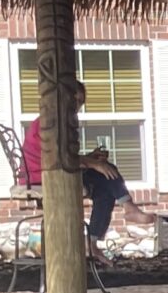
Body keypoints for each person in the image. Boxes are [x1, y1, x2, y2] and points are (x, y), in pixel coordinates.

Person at [19, 82, 148, 247]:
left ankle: (92, 243)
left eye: (80, 102)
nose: (77, 106)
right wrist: (92, 163)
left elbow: (65, 156)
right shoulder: (50, 121)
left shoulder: (59, 120)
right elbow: (58, 157)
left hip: (53, 171)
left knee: (105, 184)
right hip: (42, 175)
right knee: (105, 175)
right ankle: (128, 209)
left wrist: (90, 158)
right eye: (74, 100)